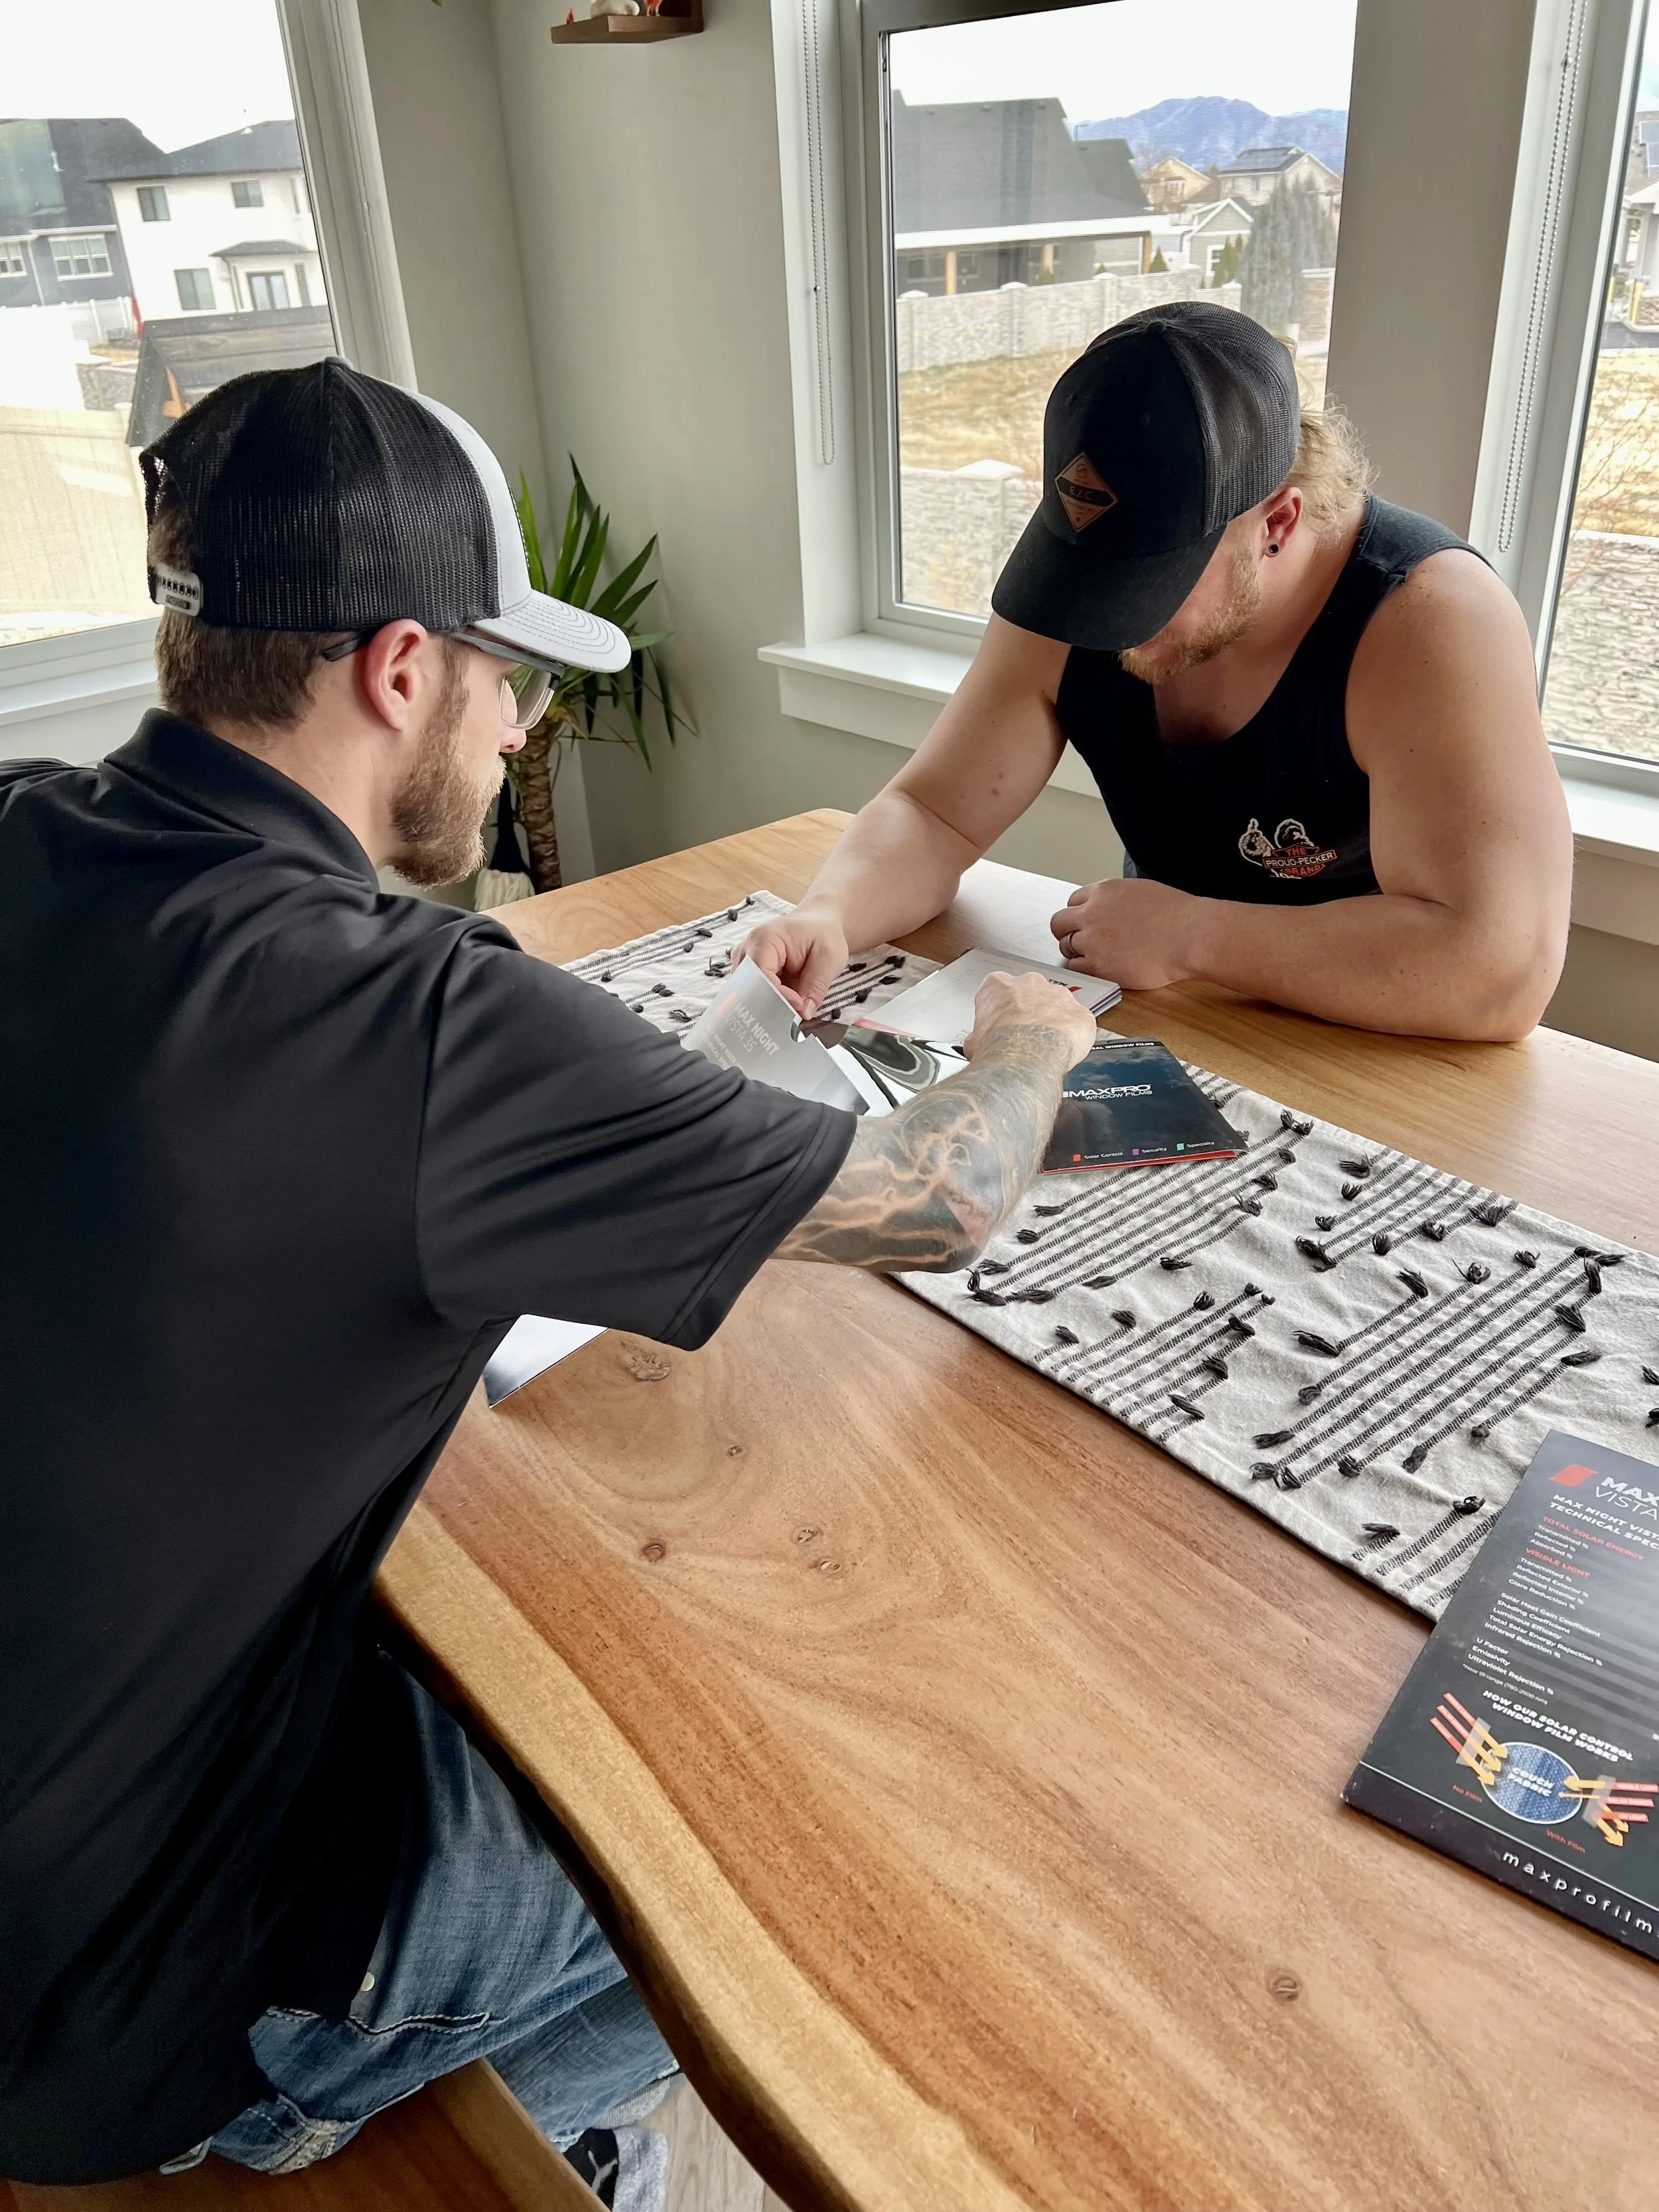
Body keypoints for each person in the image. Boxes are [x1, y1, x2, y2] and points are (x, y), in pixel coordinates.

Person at [0, 361, 1097, 2197]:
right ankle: (579, 2138)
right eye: (510, 677)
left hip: (53, 1824)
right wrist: (1035, 1037)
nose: (519, 730)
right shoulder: (414, 1022)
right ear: (401, 670)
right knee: (800, 1801)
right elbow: (931, 1199)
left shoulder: (28, 825)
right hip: (134, 2012)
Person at [742, 301, 1573, 1043]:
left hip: (1379, 1045)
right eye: (1096, 576)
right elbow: (935, 813)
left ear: (1277, 520)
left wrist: (1193, 936)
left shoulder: (1428, 620)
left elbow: (1495, 971)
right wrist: (830, 914)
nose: (1107, 621)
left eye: (1152, 581)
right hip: (1172, 1014)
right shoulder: (1081, 577)